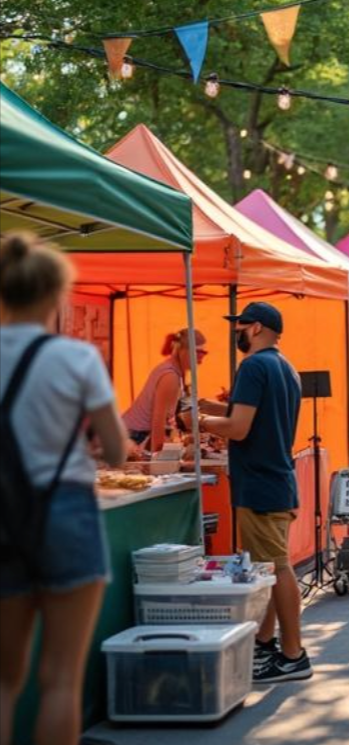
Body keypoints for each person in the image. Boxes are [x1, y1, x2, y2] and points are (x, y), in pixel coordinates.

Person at [0, 233, 129, 745]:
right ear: (57, 296)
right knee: (60, 679)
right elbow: (118, 451)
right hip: (67, 510)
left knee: (4, 681)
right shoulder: (77, 360)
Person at [193, 301, 311, 683]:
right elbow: (250, 414)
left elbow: (239, 427)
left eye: (239, 326)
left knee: (276, 568)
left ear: (256, 327)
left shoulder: (253, 366)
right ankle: (266, 642)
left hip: (260, 482)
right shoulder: (284, 367)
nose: (236, 332)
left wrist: (197, 421)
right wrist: (212, 408)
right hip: (277, 479)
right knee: (270, 569)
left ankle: (293, 655)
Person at [121, 328, 209, 452]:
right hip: (134, 437)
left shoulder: (174, 370)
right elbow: (158, 420)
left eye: (205, 353)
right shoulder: (170, 376)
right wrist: (158, 455)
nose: (201, 359)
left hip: (134, 433)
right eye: (199, 353)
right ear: (184, 351)